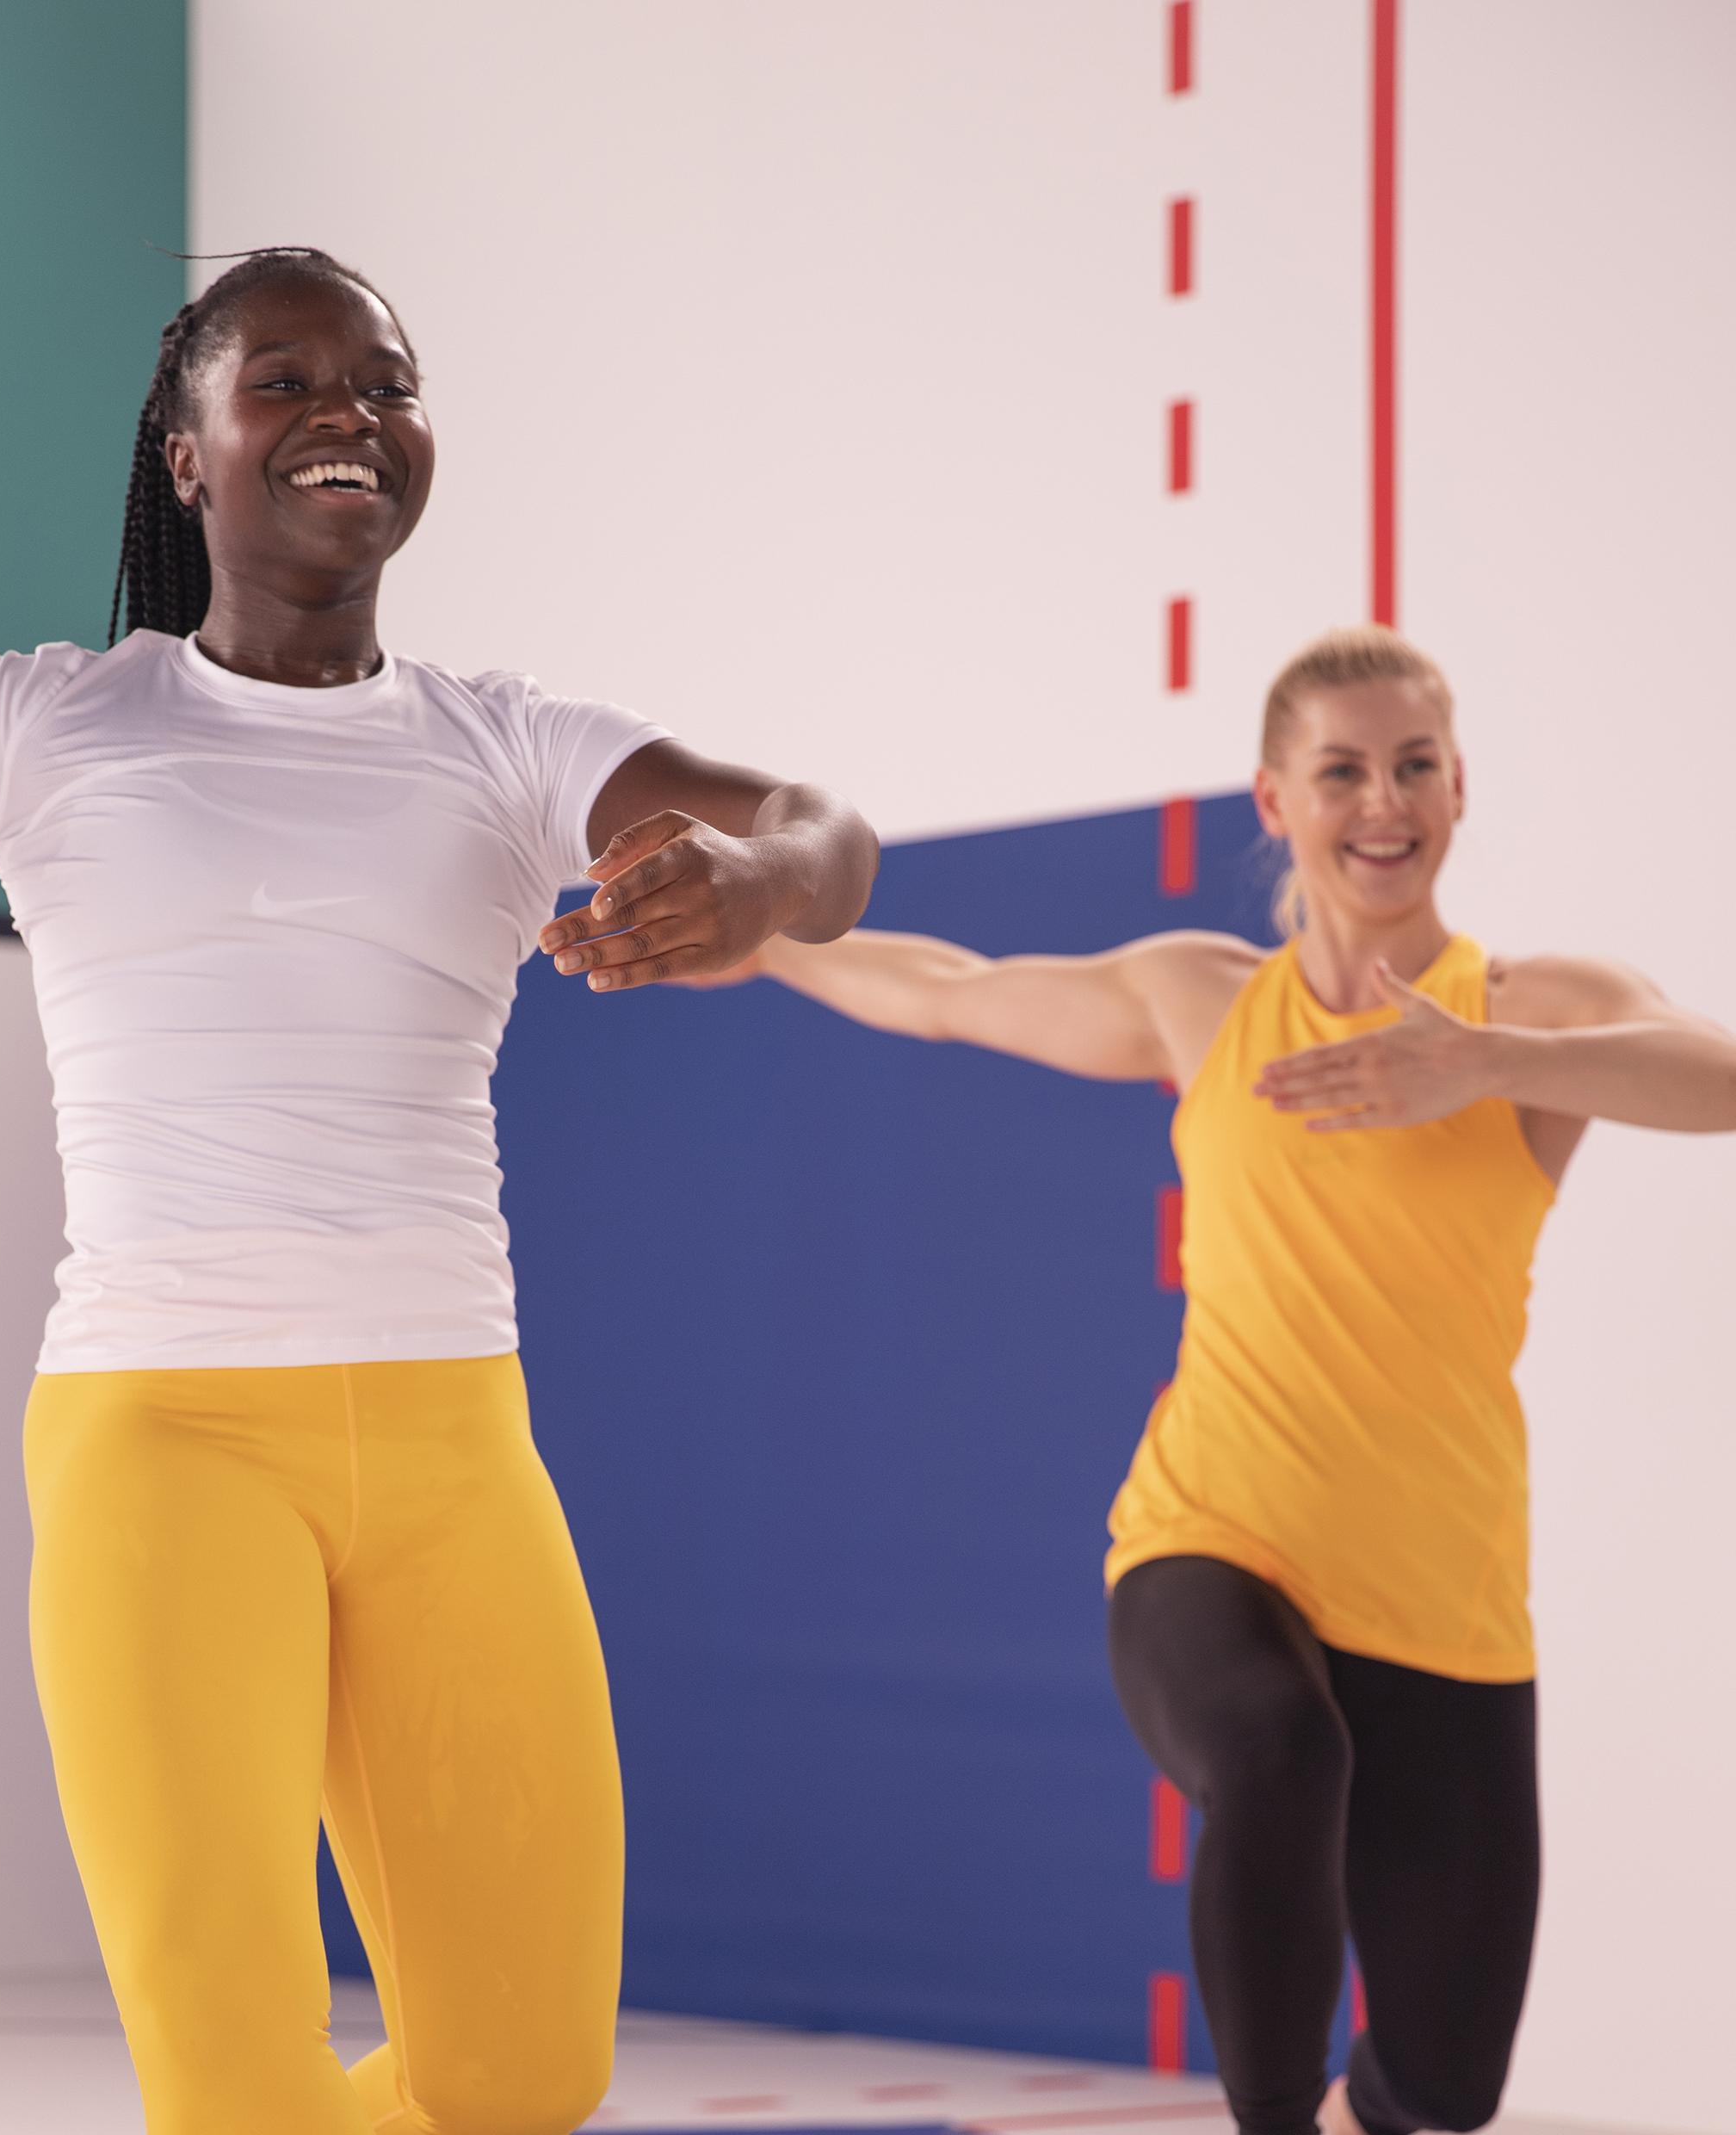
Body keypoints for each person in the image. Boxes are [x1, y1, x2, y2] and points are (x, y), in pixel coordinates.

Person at [0, 246, 877, 2135]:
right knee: (237, 2091)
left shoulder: (506, 744)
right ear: (186, 456)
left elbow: (822, 833)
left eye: (384, 379)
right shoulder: (39, 721)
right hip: (161, 1440)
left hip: (457, 1445)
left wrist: (762, 889)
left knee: (522, 2079)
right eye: (283, 380)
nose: (347, 410)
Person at [707, 625, 1736, 2135]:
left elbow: (1718, 1073)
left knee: (1442, 2091)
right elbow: (949, 987)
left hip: (1444, 1603)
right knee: (1275, 1747)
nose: (1380, 802)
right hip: (1211, 1544)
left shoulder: (1528, 1008)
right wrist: (751, 932)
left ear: (1458, 789)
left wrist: (1485, 1068)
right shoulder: (1202, 999)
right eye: (1341, 771)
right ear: (1275, 798)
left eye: (1411, 767)